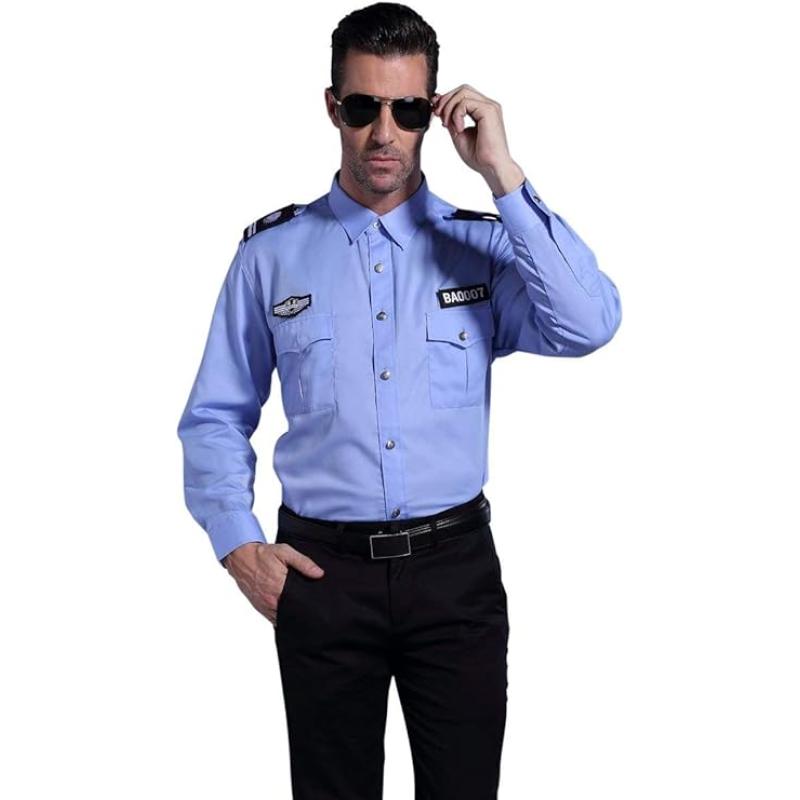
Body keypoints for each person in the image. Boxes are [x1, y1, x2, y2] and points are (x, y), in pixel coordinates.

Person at [176, 3, 622, 797]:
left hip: (455, 577)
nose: (384, 133)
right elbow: (215, 414)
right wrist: (238, 545)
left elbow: (588, 324)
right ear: (332, 107)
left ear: (433, 113)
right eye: (363, 107)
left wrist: (503, 174)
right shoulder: (271, 256)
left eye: (408, 110)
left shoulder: (484, 248)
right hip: (321, 577)